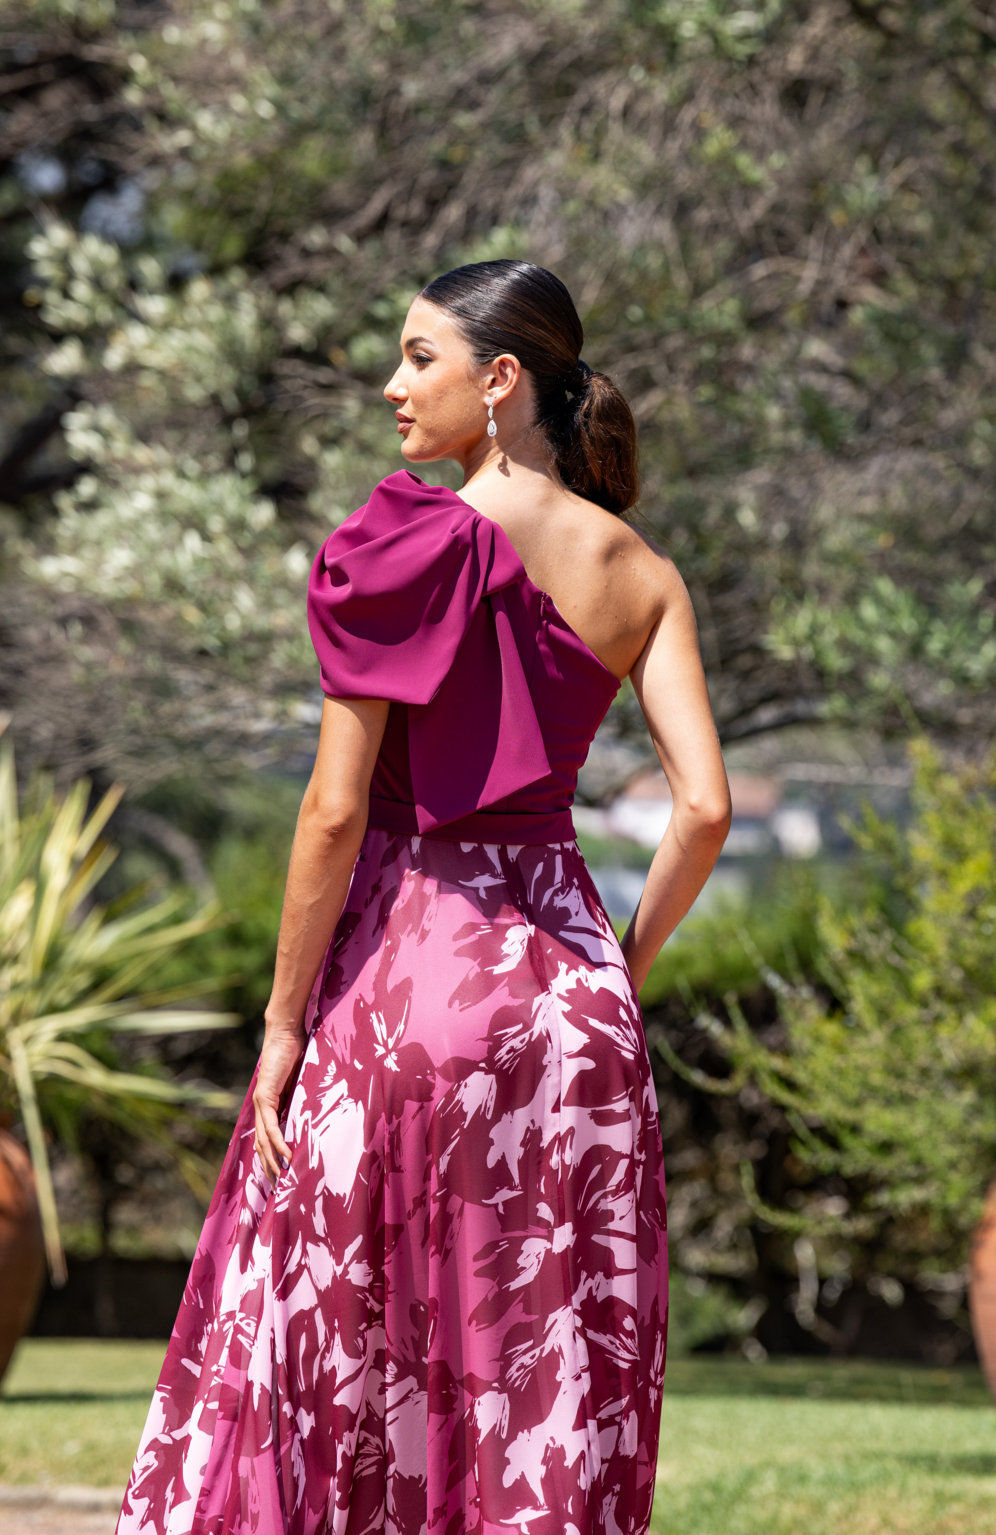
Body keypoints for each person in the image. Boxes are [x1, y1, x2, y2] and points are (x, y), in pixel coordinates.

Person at [117, 259, 731, 1535]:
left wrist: (281, 1023)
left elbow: (334, 812)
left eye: (417, 358)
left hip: (411, 978)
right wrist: (617, 965)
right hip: (573, 1006)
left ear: (499, 380)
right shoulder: (644, 572)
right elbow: (705, 809)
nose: (393, 387)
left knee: (344, 1341)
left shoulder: (399, 546)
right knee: (535, 1368)